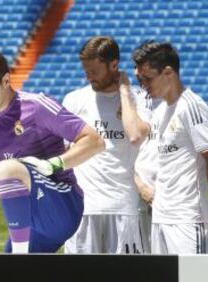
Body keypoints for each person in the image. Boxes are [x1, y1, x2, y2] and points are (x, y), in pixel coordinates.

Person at [0, 48, 105, 253]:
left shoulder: (36, 106)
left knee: (7, 169)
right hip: (31, 218)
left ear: (5, 81)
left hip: (62, 204)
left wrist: (52, 164)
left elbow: (95, 141)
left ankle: (19, 260)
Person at [63, 36, 151, 254]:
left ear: (114, 65)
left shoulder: (140, 101)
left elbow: (138, 137)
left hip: (123, 207)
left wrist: (124, 91)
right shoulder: (74, 100)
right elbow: (64, 153)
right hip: (83, 209)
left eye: (94, 70)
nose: (88, 76)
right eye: (86, 70)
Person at [132, 40, 208, 254]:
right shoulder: (160, 112)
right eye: (140, 80)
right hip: (160, 215)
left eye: (148, 78)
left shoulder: (192, 106)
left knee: (194, 278)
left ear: (168, 72)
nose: (144, 85)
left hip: (188, 218)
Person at [134, 97, 162, 253]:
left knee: (171, 261)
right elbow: (117, 153)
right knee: (140, 263)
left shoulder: (181, 104)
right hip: (137, 197)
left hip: (171, 199)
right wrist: (141, 187)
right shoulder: (128, 104)